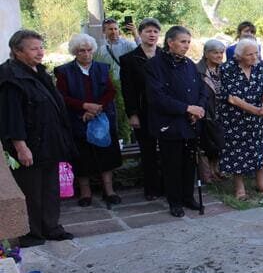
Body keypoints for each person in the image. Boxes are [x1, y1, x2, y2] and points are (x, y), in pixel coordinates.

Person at [0, 30, 76, 246]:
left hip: (49, 142)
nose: (40, 52)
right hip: (30, 145)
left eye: (41, 47)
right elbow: (11, 116)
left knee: (50, 189)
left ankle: (51, 227)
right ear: (17, 51)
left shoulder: (39, 72)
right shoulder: (10, 77)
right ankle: (32, 233)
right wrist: (21, 146)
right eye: (34, 48)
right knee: (32, 191)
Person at [145, 26, 207, 217]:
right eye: (182, 41)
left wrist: (199, 108)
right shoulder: (154, 65)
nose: (186, 46)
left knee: (189, 164)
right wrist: (187, 108)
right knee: (172, 165)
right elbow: (157, 97)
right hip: (169, 124)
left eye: (188, 42)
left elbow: (202, 89)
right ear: (170, 42)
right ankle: (175, 201)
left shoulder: (189, 64)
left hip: (190, 123)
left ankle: (188, 197)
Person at [54, 34, 122, 207]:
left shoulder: (102, 68)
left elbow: (110, 91)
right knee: (82, 157)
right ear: (75, 52)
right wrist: (84, 106)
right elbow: (61, 96)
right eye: (81, 51)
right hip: (77, 119)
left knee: (106, 155)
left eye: (89, 50)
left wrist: (96, 108)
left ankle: (109, 191)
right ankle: (85, 193)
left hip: (102, 118)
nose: (86, 54)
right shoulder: (64, 71)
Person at [219, 39, 263, 199]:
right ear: (239, 56)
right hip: (234, 118)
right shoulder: (227, 68)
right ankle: (239, 187)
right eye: (250, 54)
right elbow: (232, 98)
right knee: (237, 151)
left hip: (259, 116)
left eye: (256, 52)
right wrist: (257, 110)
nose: (254, 56)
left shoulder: (262, 66)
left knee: (260, 148)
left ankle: (260, 182)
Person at [120, 18, 164, 201]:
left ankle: (167, 185)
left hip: (164, 111)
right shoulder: (129, 59)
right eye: (148, 31)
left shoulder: (165, 55)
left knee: (167, 150)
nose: (152, 35)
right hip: (142, 110)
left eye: (155, 31)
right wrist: (132, 114)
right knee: (148, 151)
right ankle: (151, 188)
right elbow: (127, 89)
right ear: (140, 33)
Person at [195, 39, 226, 180]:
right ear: (206, 54)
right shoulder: (198, 70)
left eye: (221, 53)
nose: (219, 56)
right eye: (215, 53)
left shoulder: (224, 69)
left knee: (220, 142)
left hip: (222, 111)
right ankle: (208, 174)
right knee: (208, 144)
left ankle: (217, 170)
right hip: (206, 112)